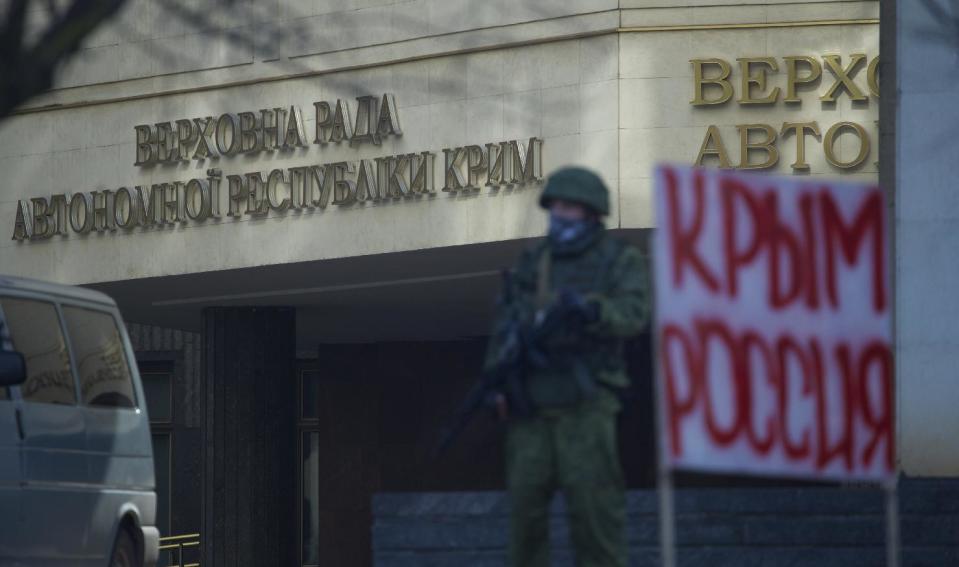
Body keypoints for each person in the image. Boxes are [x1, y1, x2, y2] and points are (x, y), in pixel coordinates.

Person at [484, 166, 650, 567]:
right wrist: (496, 383)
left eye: (571, 207)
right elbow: (505, 326)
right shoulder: (533, 262)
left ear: (592, 212)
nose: (561, 214)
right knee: (525, 525)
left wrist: (591, 309)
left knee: (595, 521)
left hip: (586, 405)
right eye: (556, 205)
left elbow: (633, 314)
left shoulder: (619, 259)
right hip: (531, 409)